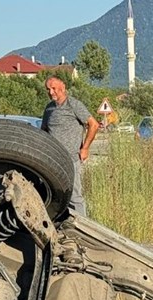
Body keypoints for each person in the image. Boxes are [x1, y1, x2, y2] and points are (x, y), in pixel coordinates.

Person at [42, 76, 100, 217]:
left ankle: (83, 228)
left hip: (71, 158)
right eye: (48, 89)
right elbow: (43, 131)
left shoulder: (73, 105)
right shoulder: (49, 109)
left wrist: (85, 148)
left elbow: (94, 124)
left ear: (63, 88)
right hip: (53, 159)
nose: (51, 92)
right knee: (56, 195)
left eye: (54, 88)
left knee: (74, 196)